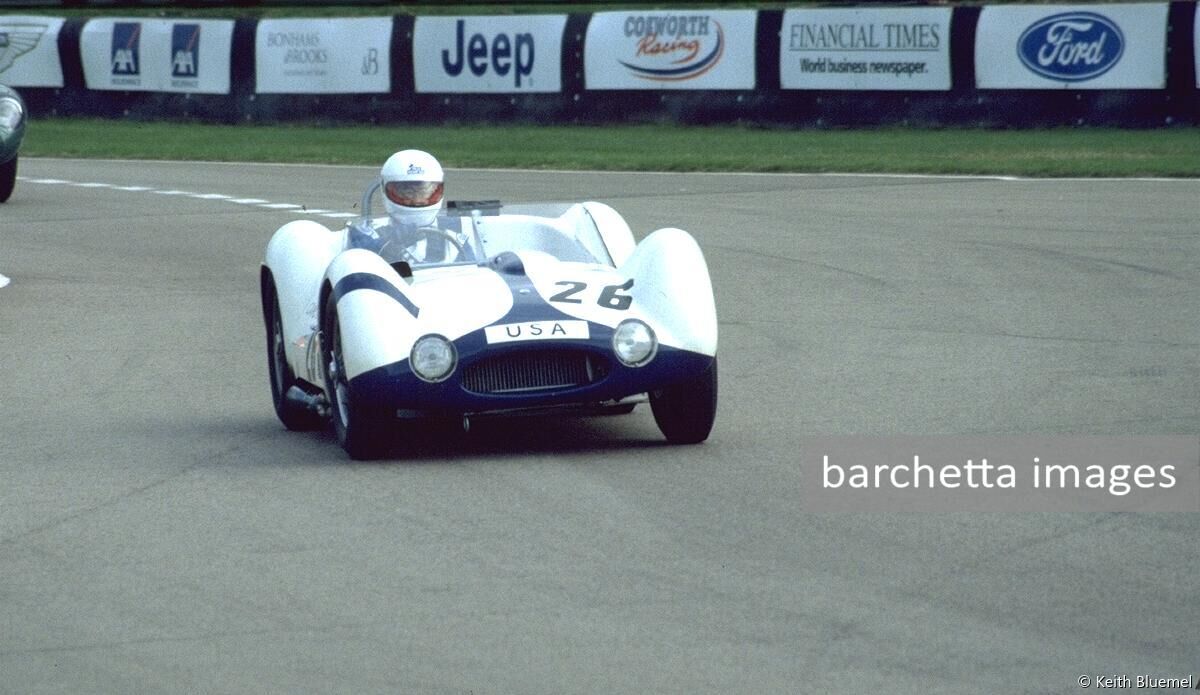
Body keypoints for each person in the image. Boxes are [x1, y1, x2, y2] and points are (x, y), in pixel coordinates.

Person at [351, 149, 463, 264]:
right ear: (386, 190)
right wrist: (387, 243)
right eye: (408, 193)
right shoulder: (370, 233)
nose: (418, 200)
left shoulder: (456, 232)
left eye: (424, 192)